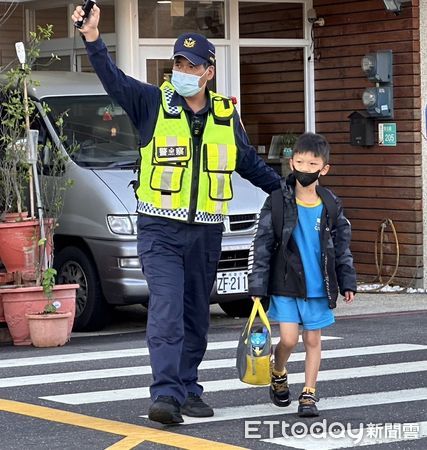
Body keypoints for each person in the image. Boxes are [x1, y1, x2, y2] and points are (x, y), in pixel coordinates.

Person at [71, 4, 281, 425]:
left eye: (192, 64)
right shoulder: (152, 103)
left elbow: (249, 163)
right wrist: (93, 38)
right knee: (166, 309)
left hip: (205, 234)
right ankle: (165, 395)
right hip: (159, 231)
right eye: (178, 63)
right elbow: (112, 79)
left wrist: (284, 191)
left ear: (209, 71)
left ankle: (188, 388)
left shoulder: (225, 115)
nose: (183, 70)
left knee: (195, 316)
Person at [248, 132, 356, 417]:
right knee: (287, 340)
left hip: (318, 286)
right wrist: (257, 285)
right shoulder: (277, 201)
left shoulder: (331, 204)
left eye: (312, 164)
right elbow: (262, 245)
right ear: (291, 162)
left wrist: (347, 280)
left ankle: (309, 394)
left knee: (313, 341)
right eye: (299, 162)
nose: (305, 169)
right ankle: (278, 371)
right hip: (284, 284)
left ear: (324, 169)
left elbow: (341, 247)